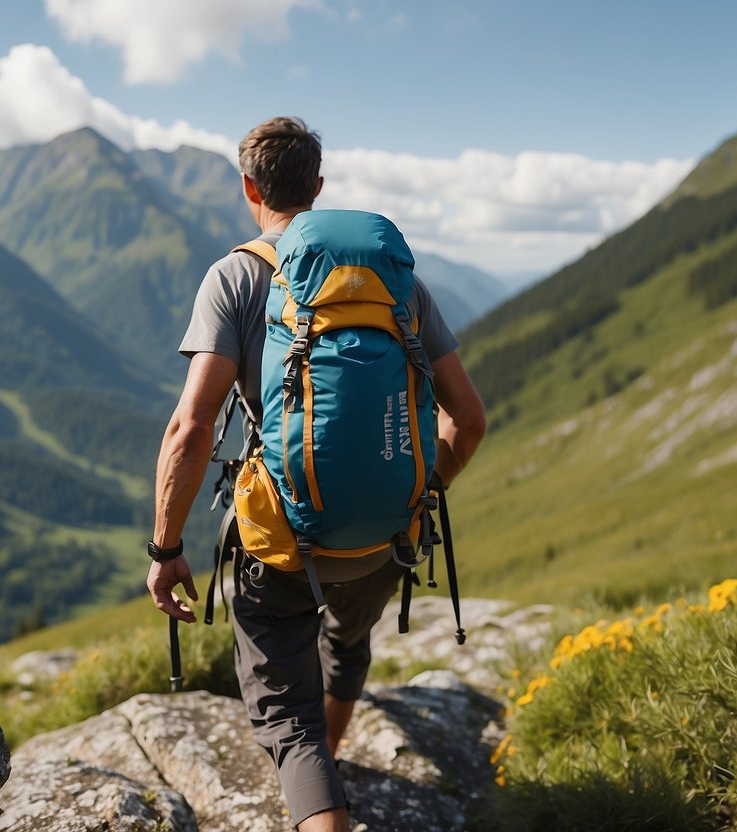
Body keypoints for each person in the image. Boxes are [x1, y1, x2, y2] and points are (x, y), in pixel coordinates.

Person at [146, 116, 487, 832]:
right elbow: (468, 421)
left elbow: (191, 427)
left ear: (248, 188)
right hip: (384, 534)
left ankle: (313, 786)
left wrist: (166, 549)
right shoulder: (394, 285)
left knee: (285, 719)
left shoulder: (235, 276)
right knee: (347, 642)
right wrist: (416, 495)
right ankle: (323, 766)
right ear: (318, 186)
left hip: (281, 540)